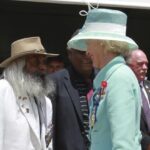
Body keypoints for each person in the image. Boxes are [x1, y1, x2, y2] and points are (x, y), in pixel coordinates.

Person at [67, 8, 142, 150]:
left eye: (89, 43)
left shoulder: (119, 78)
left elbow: (123, 145)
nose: (87, 52)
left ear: (103, 44)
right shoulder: (109, 78)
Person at [0, 36, 58, 150]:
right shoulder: (3, 90)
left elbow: (47, 142)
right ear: (18, 65)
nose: (42, 67)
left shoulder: (45, 101)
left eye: (44, 62)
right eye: (35, 61)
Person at [47, 39, 94, 150]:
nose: (87, 56)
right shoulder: (55, 82)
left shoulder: (104, 79)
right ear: (70, 53)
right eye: (81, 52)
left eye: (90, 52)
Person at [126, 49, 150, 150]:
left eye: (146, 64)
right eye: (140, 64)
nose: (145, 68)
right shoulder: (124, 90)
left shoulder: (148, 86)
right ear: (128, 66)